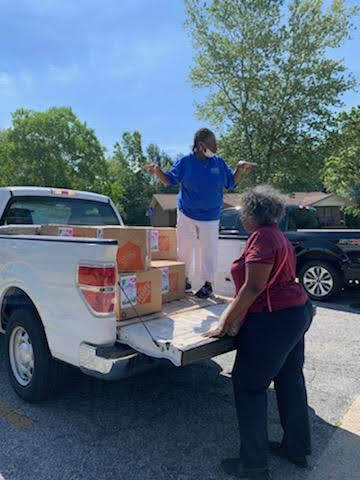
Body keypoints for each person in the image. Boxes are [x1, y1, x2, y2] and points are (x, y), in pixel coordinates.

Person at [204, 186, 313, 480]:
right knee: (290, 379)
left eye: (243, 213)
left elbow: (254, 287)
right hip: (296, 311)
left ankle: (252, 466)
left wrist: (225, 321)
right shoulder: (278, 235)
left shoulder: (262, 238)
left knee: (249, 386)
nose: (241, 219)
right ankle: (296, 448)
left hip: (272, 319)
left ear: (254, 213)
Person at [145, 128, 254, 298]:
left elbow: (231, 183)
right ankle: (185, 280)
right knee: (185, 248)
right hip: (187, 213)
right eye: (213, 143)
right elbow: (169, 180)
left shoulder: (219, 163)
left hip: (211, 215)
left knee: (209, 250)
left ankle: (208, 284)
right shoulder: (186, 162)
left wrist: (239, 169)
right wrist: (157, 170)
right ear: (201, 145)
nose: (216, 146)